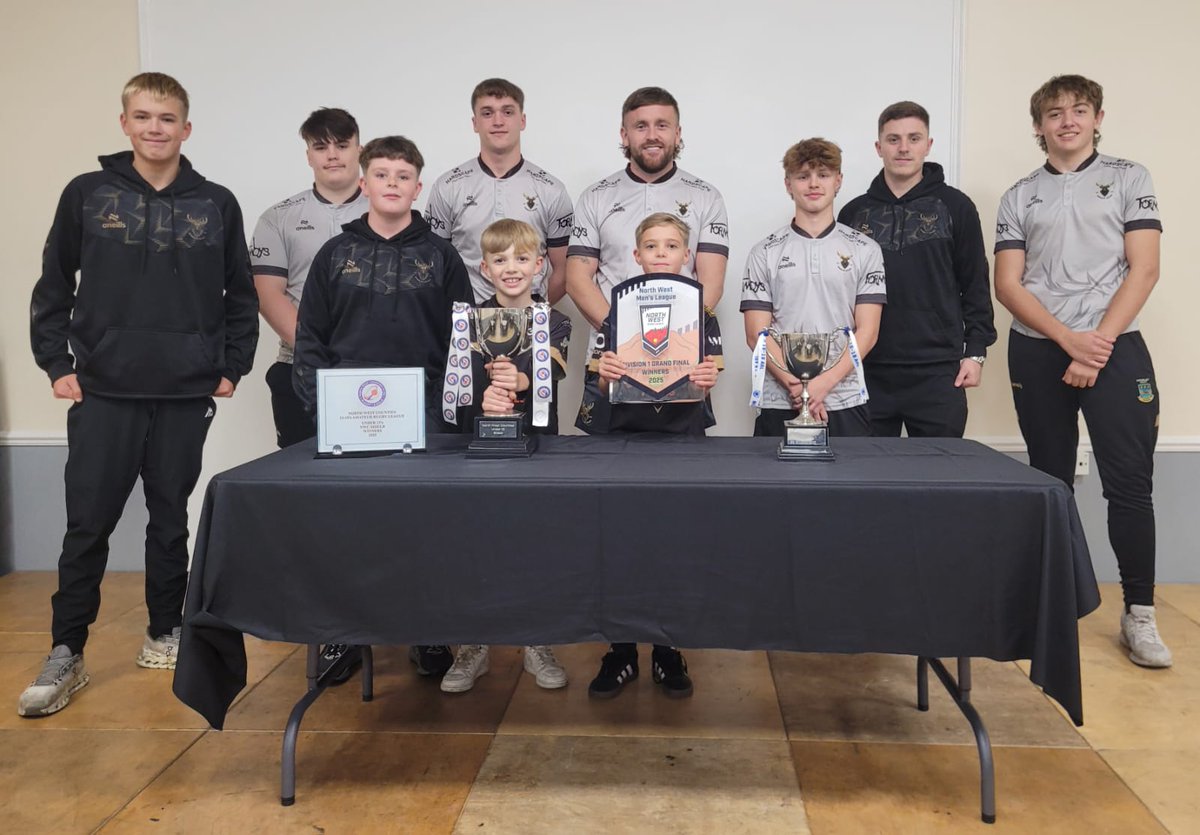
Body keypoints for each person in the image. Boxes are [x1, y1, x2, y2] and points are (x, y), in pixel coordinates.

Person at [22, 72, 258, 717]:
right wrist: (56, 364)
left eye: (168, 118)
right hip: (104, 386)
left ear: (187, 128)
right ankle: (66, 650)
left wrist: (232, 365)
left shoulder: (216, 202)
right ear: (124, 123)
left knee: (169, 518)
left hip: (184, 387)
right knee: (88, 524)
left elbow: (240, 293)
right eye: (144, 117)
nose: (156, 128)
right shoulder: (87, 194)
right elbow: (51, 284)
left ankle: (164, 632)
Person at [994, 74, 1170, 668]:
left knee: (1129, 484)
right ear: (1038, 126)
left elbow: (1142, 270)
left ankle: (1140, 614)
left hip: (1114, 344)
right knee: (1049, 481)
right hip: (1041, 345)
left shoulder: (1128, 177)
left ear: (1097, 118)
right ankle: (1054, 603)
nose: (1067, 120)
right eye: (1054, 113)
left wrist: (1097, 345)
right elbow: (1007, 283)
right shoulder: (1020, 193)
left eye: (1079, 110)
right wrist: (1068, 340)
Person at [293, 135, 473, 679]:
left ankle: (429, 631)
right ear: (363, 183)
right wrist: (323, 406)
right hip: (350, 416)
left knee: (424, 528)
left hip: (424, 417)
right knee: (349, 529)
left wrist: (448, 411)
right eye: (382, 174)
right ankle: (343, 636)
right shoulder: (335, 254)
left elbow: (460, 338)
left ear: (418, 187)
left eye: (403, 176)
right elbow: (311, 337)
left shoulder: (440, 256)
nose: (392, 184)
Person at [251, 108, 369, 686]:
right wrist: (323, 356)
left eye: (342, 144)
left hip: (379, 383)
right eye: (320, 146)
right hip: (302, 374)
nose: (332, 155)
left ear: (357, 148)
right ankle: (330, 633)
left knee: (393, 502)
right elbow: (270, 295)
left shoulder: (391, 207)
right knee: (317, 505)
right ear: (307, 153)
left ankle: (419, 630)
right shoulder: (280, 218)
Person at [584, 213, 723, 700]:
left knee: (675, 543)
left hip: (681, 436)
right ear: (636, 255)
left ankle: (668, 649)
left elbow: (711, 373)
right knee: (619, 545)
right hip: (622, 437)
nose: (661, 253)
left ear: (686, 256)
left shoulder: (701, 311)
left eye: (670, 246)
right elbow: (597, 379)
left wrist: (707, 378)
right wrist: (606, 372)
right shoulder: (616, 310)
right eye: (650, 245)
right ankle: (620, 651)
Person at [440, 219, 572, 694]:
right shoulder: (467, 322)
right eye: (500, 260)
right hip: (480, 451)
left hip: (539, 447)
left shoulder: (555, 320)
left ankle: (536, 641)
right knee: (478, 542)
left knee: (535, 543)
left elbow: (546, 375)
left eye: (521, 259)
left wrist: (512, 383)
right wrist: (483, 397)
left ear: (540, 266)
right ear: (485, 268)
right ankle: (474, 645)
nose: (511, 268)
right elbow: (457, 388)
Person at [566, 86, 729, 433]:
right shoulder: (594, 197)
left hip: (681, 360)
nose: (652, 135)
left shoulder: (707, 197)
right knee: (602, 473)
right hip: (613, 360)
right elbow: (578, 280)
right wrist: (627, 338)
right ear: (624, 135)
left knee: (683, 472)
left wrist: (672, 346)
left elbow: (710, 282)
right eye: (640, 126)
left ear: (678, 133)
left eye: (662, 125)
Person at [838, 101, 995, 437]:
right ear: (879, 147)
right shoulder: (853, 214)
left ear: (929, 144)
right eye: (893, 139)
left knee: (940, 480)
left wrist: (976, 352)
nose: (904, 148)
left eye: (913, 138)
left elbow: (976, 284)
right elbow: (840, 293)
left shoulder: (956, 207)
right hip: (868, 369)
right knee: (867, 480)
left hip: (939, 371)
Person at [741, 139, 886, 437]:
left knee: (847, 484)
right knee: (777, 484)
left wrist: (822, 385)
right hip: (779, 399)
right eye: (803, 176)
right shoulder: (764, 252)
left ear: (838, 181)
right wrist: (799, 389)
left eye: (823, 174)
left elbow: (868, 333)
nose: (813, 184)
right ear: (788, 184)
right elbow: (756, 334)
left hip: (845, 398)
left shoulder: (865, 250)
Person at [426, 78, 574, 305]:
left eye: (507, 112)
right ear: (475, 123)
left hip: (531, 323)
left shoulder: (551, 190)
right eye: (487, 113)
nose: (497, 121)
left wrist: (532, 311)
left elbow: (564, 271)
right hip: (467, 320)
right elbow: (433, 266)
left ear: (522, 120)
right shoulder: (447, 187)